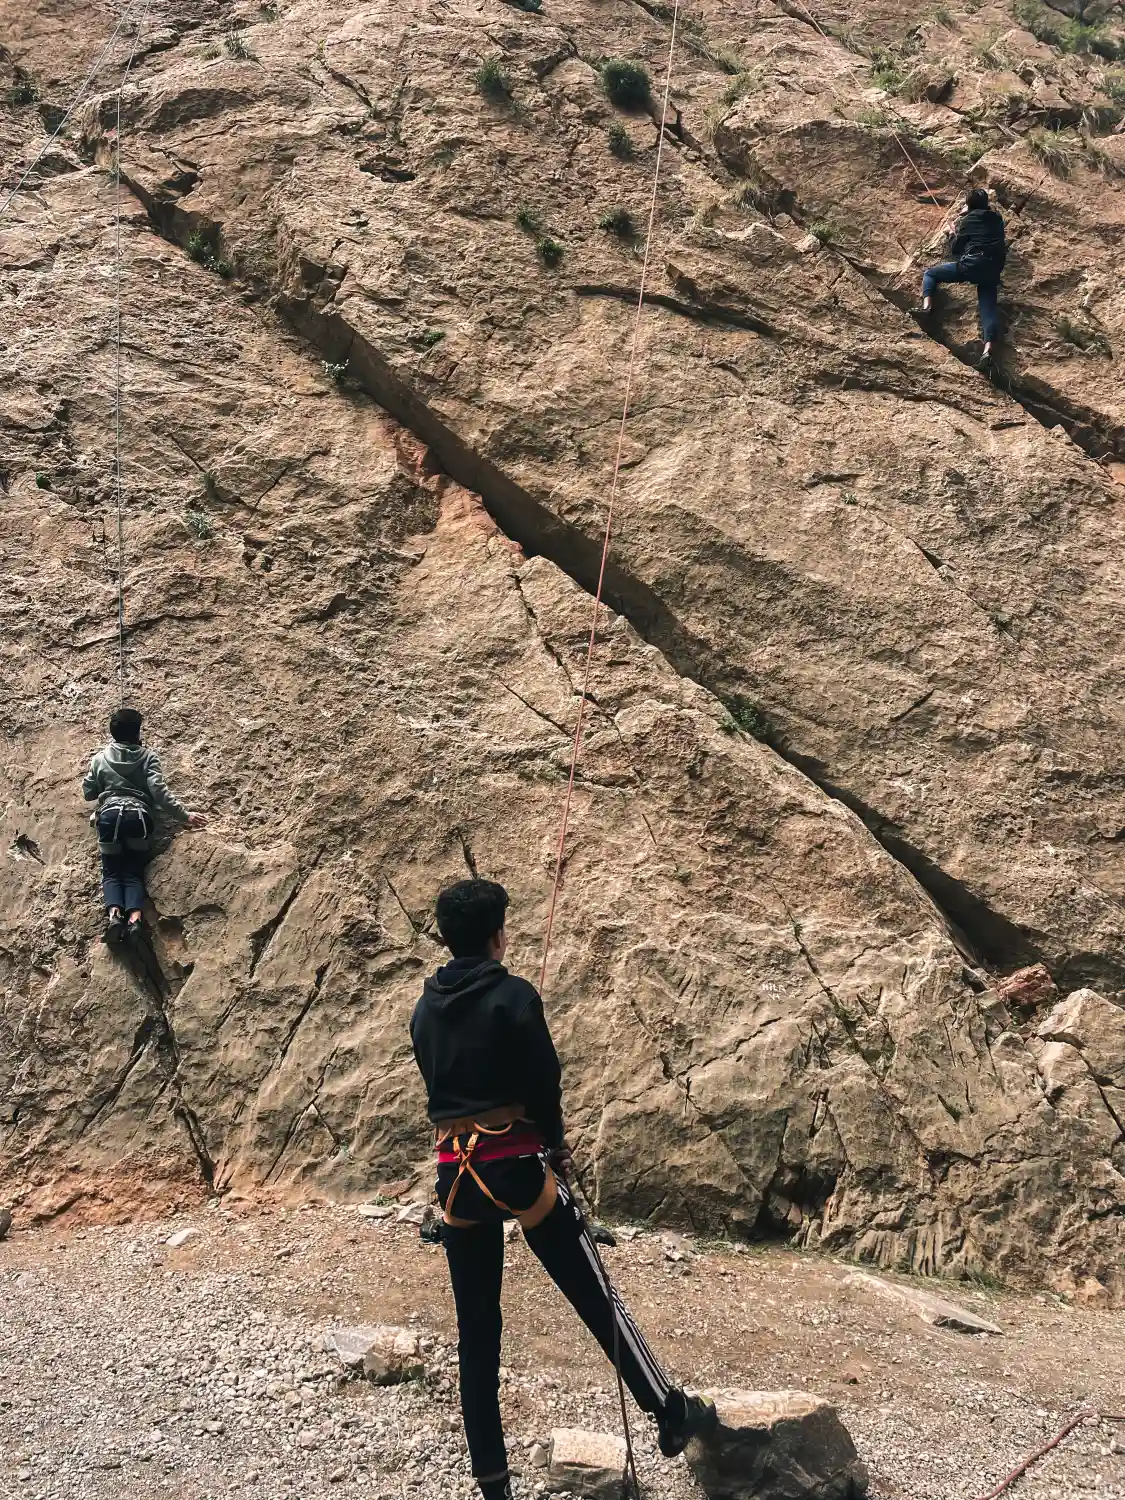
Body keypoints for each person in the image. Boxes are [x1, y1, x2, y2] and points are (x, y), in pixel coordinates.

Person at [410, 878, 716, 1500]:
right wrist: (553, 1145)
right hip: (518, 1168)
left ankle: (493, 1483)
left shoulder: (423, 1009)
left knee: (477, 1332)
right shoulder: (515, 996)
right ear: (498, 935)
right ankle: (668, 1411)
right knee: (594, 1296)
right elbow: (544, 1082)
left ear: (445, 937)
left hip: (455, 1180)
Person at [82, 707, 205, 945]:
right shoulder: (148, 757)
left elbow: (88, 792)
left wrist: (104, 779)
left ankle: (115, 916)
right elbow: (159, 791)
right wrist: (185, 816)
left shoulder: (99, 759)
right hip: (139, 817)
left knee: (111, 870)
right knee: (133, 870)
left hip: (109, 817)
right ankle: (135, 919)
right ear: (138, 733)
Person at [921, 186, 1007, 361]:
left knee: (930, 274)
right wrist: (969, 212)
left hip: (972, 265)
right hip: (993, 269)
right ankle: (988, 348)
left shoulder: (967, 221)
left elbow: (956, 249)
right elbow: (984, 218)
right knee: (987, 308)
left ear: (969, 206)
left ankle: (926, 307)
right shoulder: (997, 219)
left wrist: (952, 233)